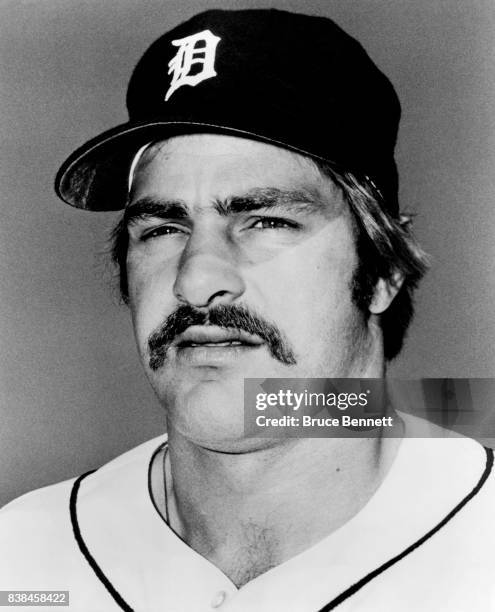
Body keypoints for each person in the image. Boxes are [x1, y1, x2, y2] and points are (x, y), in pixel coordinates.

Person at [1, 8, 494, 612]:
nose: (197, 278)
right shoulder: (22, 561)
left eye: (266, 221)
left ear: (383, 271)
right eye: (161, 228)